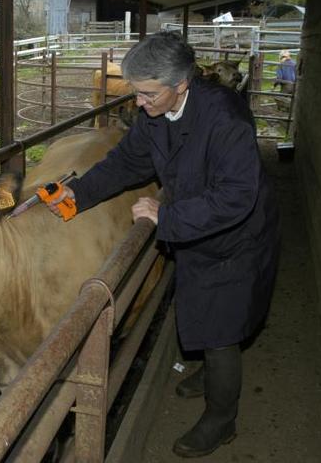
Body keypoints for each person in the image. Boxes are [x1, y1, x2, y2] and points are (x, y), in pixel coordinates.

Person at [46, 31, 280, 458]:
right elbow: (127, 161)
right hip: (199, 228)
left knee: (223, 330)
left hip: (235, 239)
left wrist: (168, 217)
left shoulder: (225, 120)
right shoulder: (156, 114)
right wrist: (80, 194)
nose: (138, 102)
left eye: (147, 93)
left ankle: (221, 418)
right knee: (200, 307)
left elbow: (236, 196)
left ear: (181, 85)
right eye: (136, 91)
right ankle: (210, 375)